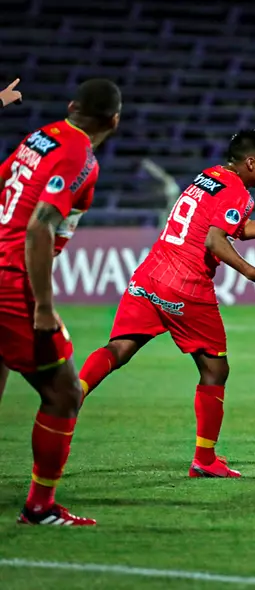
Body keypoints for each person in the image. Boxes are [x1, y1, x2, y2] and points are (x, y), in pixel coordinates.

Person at [76, 129, 255, 478]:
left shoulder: (209, 177)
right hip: (186, 284)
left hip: (151, 274)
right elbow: (214, 240)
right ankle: (204, 459)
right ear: (250, 162)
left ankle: (74, 393)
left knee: (119, 348)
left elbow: (234, 227)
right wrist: (252, 272)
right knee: (215, 370)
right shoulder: (238, 192)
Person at [0, 78, 121, 525]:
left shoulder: (40, 137)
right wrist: (44, 307)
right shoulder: (77, 155)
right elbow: (39, 227)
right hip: (12, 281)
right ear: (114, 121)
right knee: (64, 393)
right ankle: (39, 506)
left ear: (72, 106)